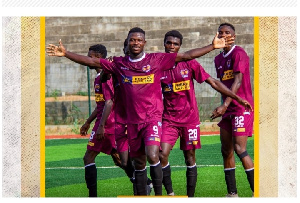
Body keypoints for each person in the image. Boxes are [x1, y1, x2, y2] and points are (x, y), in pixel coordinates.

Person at [47, 27, 252, 196]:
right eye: (132, 40)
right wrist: (66, 54)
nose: (136, 42)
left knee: (156, 154)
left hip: (155, 120)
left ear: (144, 43)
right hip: (132, 123)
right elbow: (92, 62)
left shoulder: (157, 60)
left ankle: (163, 196)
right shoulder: (118, 64)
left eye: (139, 40)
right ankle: (144, 194)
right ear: (128, 43)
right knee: (137, 162)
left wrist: (212, 46)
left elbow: (187, 56)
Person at [159, 30, 254, 197]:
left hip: (190, 120)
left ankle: (190, 197)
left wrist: (236, 99)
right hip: (169, 120)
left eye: (175, 44)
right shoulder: (156, 65)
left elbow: (213, 82)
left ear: (180, 46)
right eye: (169, 43)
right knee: (161, 154)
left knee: (190, 158)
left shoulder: (190, 64)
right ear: (164, 44)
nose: (172, 46)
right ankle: (170, 194)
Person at [210, 23, 254, 197]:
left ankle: (257, 192)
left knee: (239, 148)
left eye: (227, 32)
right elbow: (222, 85)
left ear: (233, 36)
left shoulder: (239, 53)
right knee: (225, 149)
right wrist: (223, 106)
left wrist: (225, 105)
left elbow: (237, 82)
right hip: (227, 109)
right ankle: (232, 194)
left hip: (241, 108)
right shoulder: (218, 59)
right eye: (221, 32)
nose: (223, 35)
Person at [79, 44, 122, 197]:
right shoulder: (99, 76)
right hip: (106, 123)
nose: (87, 59)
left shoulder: (106, 75)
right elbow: (101, 105)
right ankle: (144, 182)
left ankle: (92, 197)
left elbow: (109, 102)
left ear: (98, 57)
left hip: (108, 124)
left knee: (88, 157)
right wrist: (88, 122)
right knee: (119, 159)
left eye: (89, 56)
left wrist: (101, 126)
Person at [112, 39, 153, 195]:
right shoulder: (117, 69)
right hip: (120, 121)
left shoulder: (140, 69)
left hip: (137, 119)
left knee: (140, 158)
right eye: (126, 48)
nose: (128, 50)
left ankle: (143, 189)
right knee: (123, 161)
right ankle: (144, 184)